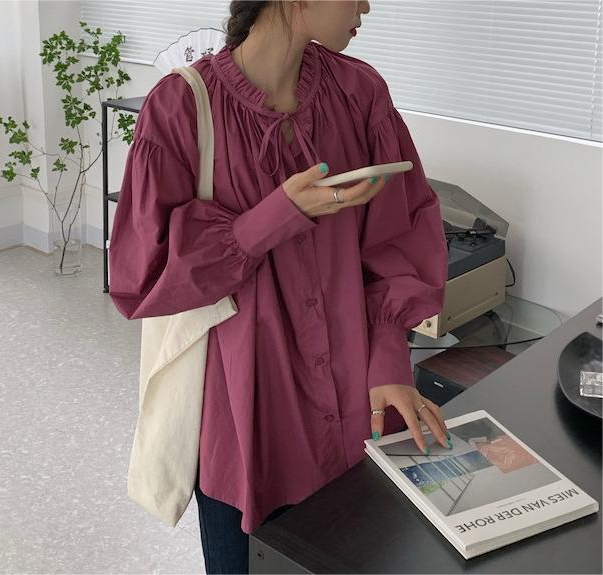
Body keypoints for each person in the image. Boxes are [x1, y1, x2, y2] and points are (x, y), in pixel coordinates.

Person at [108, 0, 451, 572]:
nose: (367, 5)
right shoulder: (180, 108)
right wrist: (273, 216)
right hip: (246, 420)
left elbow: (398, 239)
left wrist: (390, 357)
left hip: (362, 408)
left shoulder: (359, 93)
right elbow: (141, 276)